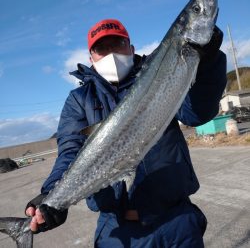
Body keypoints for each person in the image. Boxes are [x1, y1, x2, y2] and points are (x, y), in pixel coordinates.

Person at [25, 18, 227, 247]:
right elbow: (70, 149)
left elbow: (196, 114)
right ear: (91, 58)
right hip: (118, 232)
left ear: (131, 48)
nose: (111, 53)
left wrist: (209, 62)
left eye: (118, 44)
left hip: (176, 222)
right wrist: (51, 195)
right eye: (102, 48)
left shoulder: (161, 74)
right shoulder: (80, 100)